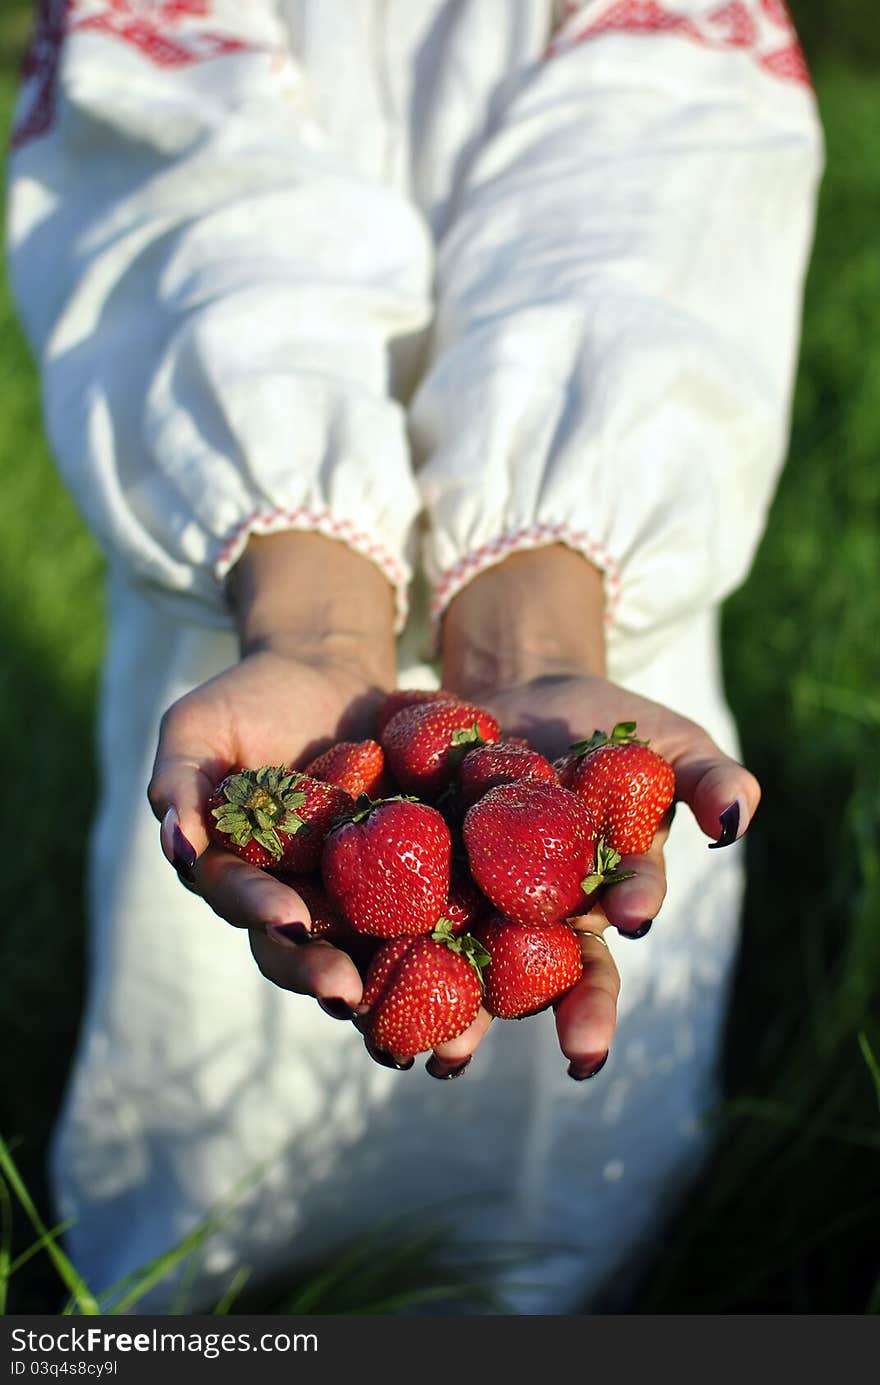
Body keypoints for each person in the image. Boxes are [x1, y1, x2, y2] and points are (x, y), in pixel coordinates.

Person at [6, 0, 822, 1313]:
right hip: (259, 586)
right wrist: (314, 616)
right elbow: (175, 143)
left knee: (538, 1182)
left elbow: (661, 172)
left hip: (575, 598)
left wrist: (540, 626)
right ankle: (198, 1295)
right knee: (214, 1063)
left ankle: (539, 1280)